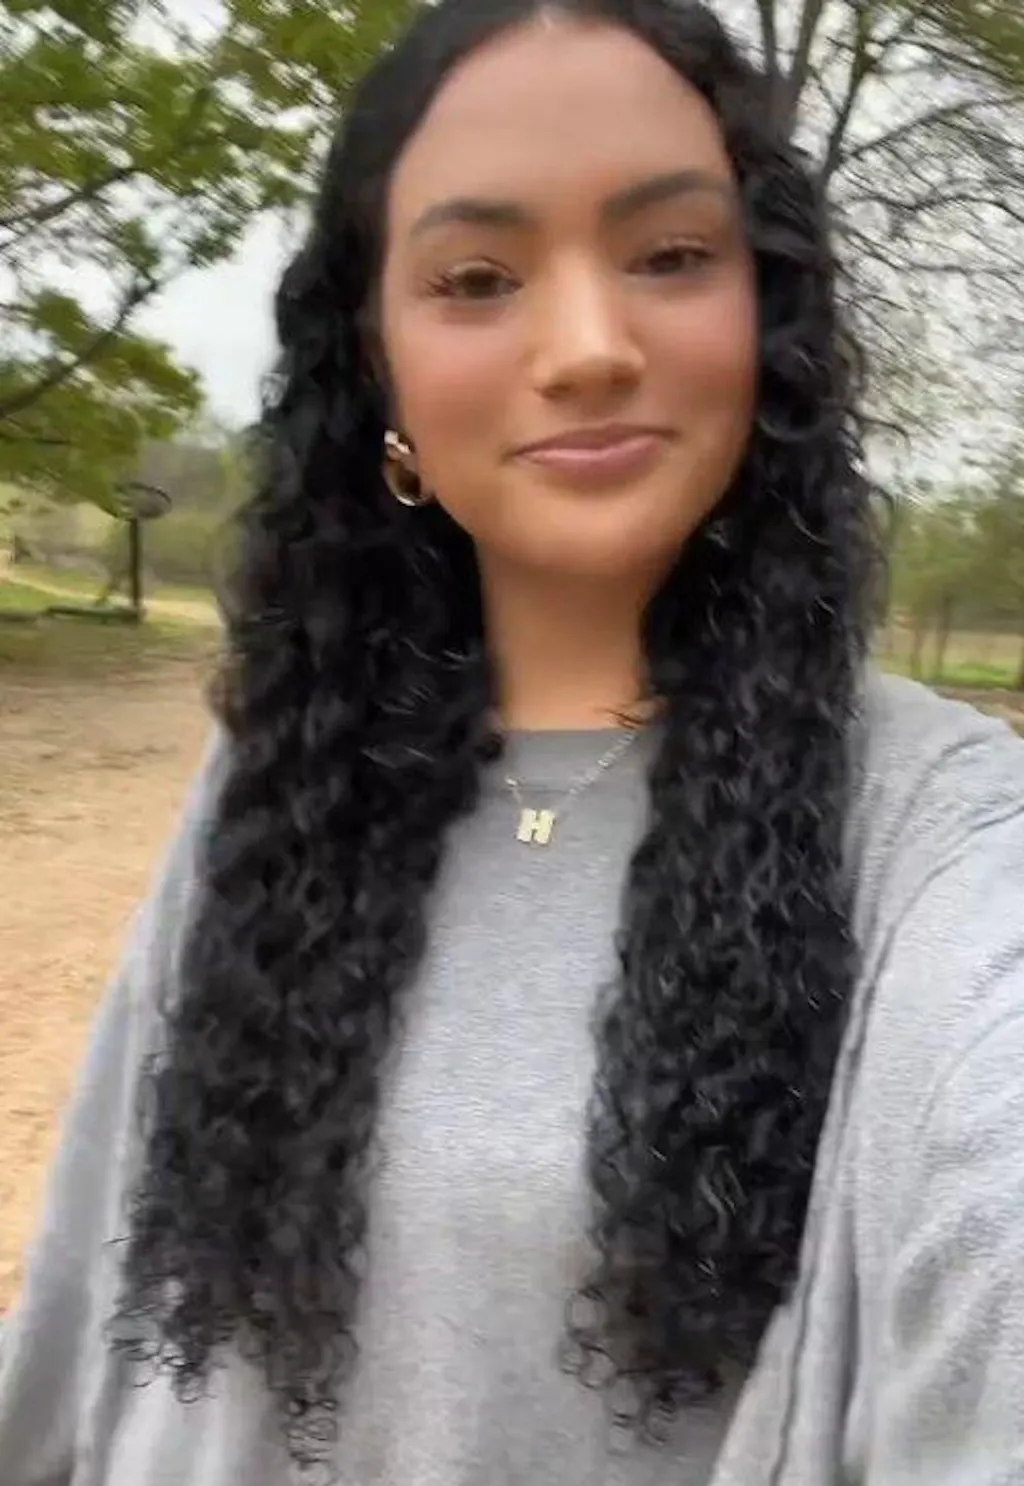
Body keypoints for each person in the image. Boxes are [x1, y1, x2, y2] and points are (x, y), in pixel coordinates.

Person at [2, 0, 1023, 1482]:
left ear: (767, 318)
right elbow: (84, 1312)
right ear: (383, 373)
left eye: (672, 256)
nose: (591, 347)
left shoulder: (942, 835)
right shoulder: (278, 780)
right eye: (478, 279)